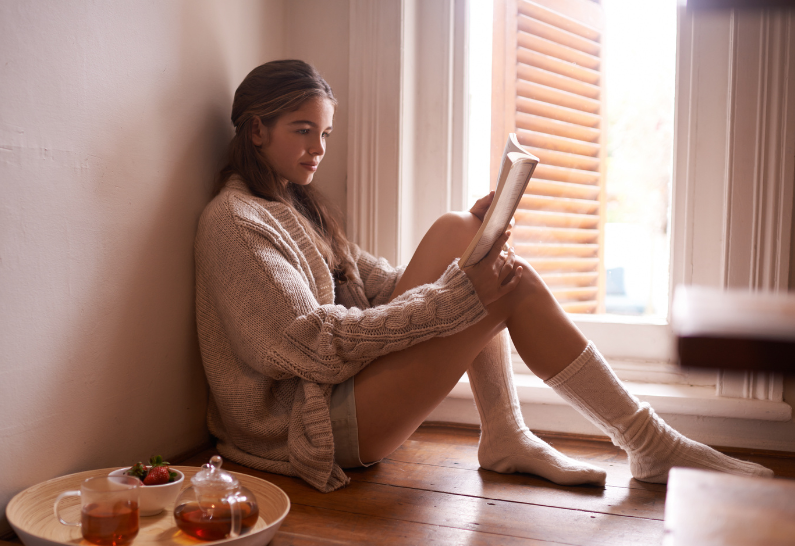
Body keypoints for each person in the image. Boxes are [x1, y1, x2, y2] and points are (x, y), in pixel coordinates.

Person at [194, 60, 772, 492]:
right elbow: (315, 345)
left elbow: (374, 287)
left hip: (340, 391)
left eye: (324, 134)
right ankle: (644, 442)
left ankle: (509, 435)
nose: (318, 149)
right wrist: (455, 296)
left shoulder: (293, 204)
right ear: (255, 130)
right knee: (496, 283)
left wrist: (473, 242)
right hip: (308, 426)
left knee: (462, 233)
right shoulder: (235, 223)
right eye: (303, 130)